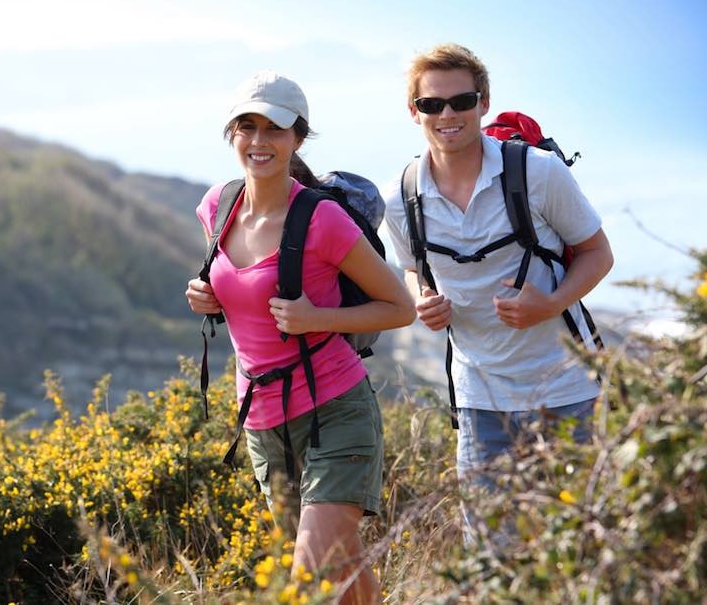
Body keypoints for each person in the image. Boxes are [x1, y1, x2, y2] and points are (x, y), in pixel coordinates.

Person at [185, 71, 415, 603]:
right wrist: (206, 296)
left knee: (308, 576)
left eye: (276, 129)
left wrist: (317, 318)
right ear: (231, 134)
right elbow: (234, 286)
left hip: (336, 410)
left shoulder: (324, 219)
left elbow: (399, 308)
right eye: (247, 127)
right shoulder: (215, 207)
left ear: (298, 139)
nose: (259, 141)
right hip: (263, 423)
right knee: (343, 569)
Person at [382, 43, 614, 540]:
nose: (447, 114)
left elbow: (598, 253)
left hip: (569, 388)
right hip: (479, 396)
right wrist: (423, 297)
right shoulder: (401, 198)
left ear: (483, 103)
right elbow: (410, 267)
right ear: (413, 112)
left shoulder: (538, 172)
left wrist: (550, 304)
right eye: (431, 104)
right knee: (492, 553)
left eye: (462, 101)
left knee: (583, 543)